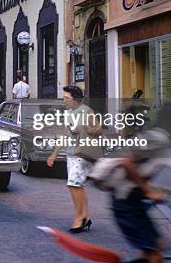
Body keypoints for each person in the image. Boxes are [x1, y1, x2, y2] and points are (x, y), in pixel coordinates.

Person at [47, 85, 101, 233]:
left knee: (73, 184)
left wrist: (82, 129)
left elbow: (97, 129)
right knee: (78, 185)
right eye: (63, 98)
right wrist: (54, 154)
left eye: (66, 98)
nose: (64, 101)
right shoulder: (68, 113)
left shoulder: (86, 111)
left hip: (82, 153)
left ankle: (79, 218)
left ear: (75, 99)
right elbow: (64, 135)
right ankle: (85, 216)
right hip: (71, 154)